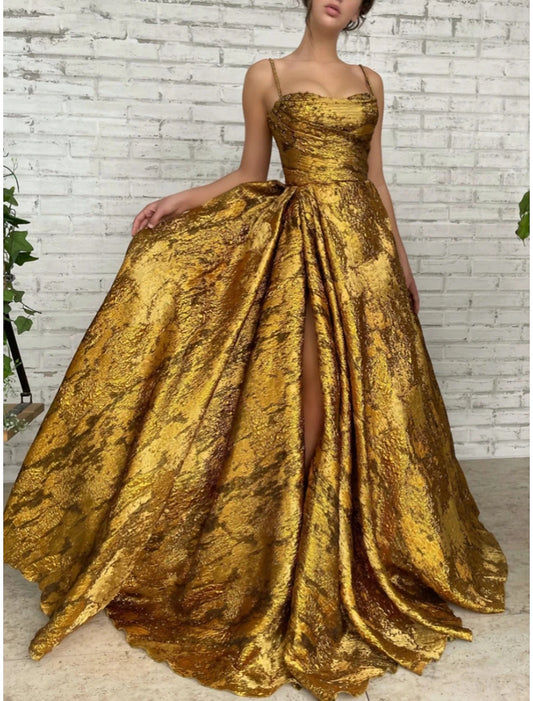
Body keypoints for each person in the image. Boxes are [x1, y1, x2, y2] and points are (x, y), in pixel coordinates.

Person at [3, 1, 508, 699]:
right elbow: (249, 169)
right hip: (302, 245)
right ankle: (294, 537)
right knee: (308, 386)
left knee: (374, 394)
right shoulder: (266, 74)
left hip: (363, 252)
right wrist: (184, 199)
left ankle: (355, 535)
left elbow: (375, 180)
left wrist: (400, 259)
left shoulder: (370, 80)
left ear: (361, 10)